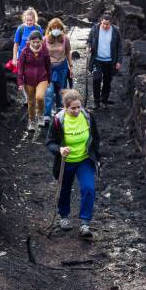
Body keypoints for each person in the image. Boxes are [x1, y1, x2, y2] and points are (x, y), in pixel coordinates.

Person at [46, 89, 101, 238]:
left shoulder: (88, 116)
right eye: (73, 108)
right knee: (64, 189)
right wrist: (60, 149)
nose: (77, 111)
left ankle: (84, 223)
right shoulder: (58, 119)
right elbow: (49, 142)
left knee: (89, 188)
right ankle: (64, 216)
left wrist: (98, 157)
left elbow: (95, 138)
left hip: (85, 159)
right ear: (65, 107)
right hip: (66, 161)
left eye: (79, 107)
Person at [16, 31, 51, 131]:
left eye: (38, 42)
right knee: (31, 102)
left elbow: (48, 66)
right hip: (28, 80)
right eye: (33, 42)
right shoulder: (25, 51)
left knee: (39, 97)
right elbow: (20, 68)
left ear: (41, 41)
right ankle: (31, 121)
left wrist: (49, 79)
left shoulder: (44, 51)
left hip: (42, 78)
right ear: (29, 41)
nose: (36, 44)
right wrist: (20, 82)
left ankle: (40, 115)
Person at [43, 17, 74, 125]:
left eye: (58, 27)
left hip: (62, 66)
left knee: (61, 91)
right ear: (50, 28)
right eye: (53, 27)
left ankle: (60, 112)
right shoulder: (45, 39)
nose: (56, 29)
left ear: (61, 28)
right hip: (49, 68)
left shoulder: (65, 39)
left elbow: (68, 52)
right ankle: (47, 115)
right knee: (49, 91)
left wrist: (71, 66)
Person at [86, 13, 122, 107]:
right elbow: (89, 40)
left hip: (110, 61)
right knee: (96, 79)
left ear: (111, 23)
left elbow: (119, 47)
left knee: (107, 81)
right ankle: (96, 101)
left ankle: (104, 100)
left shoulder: (115, 30)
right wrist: (88, 47)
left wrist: (119, 61)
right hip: (97, 60)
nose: (105, 26)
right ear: (101, 21)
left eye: (107, 24)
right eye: (104, 24)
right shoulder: (95, 29)